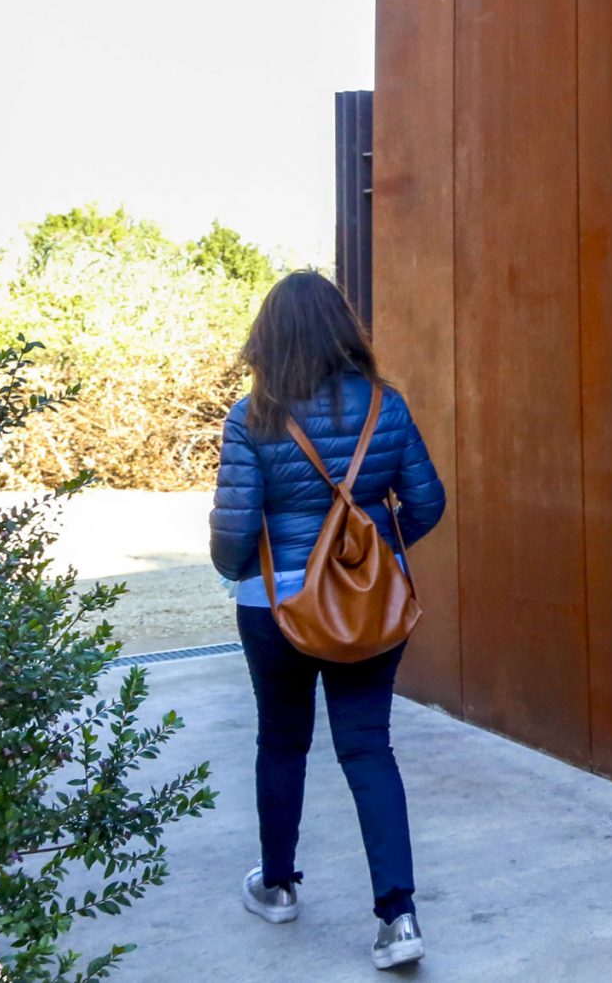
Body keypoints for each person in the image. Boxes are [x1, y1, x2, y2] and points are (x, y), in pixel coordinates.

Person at [209, 270, 446, 971]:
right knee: (369, 747)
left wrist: (241, 568)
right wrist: (369, 549)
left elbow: (234, 529)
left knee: (282, 742)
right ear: (345, 330)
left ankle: (277, 885)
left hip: (273, 607)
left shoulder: (251, 416)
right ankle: (397, 917)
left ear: (269, 336)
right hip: (371, 605)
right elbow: (426, 504)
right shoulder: (386, 406)